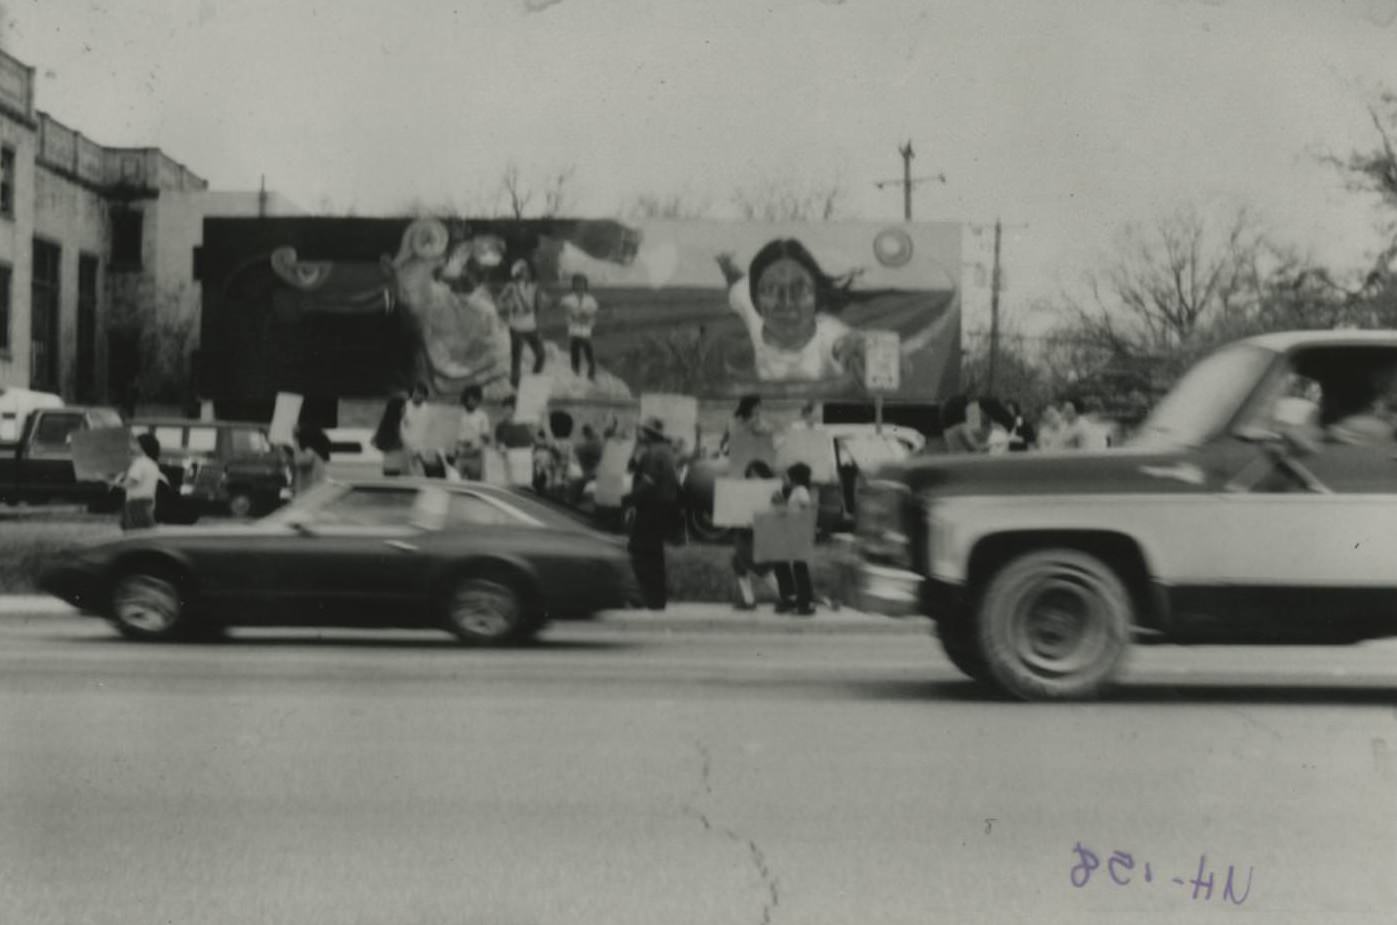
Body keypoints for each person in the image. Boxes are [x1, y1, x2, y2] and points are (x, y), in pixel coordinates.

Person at [716, 239, 868, 384]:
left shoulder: (831, 334)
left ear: (816, 295)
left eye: (800, 289)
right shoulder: (748, 304)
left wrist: (857, 352)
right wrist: (726, 265)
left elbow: (847, 344)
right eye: (771, 290)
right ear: (755, 299)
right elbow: (738, 284)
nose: (787, 303)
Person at [628, 417, 681, 611]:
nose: (638, 433)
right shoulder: (666, 451)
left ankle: (645, 597)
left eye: (641, 431)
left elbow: (648, 483)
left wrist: (629, 499)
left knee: (639, 551)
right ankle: (657, 599)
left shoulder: (652, 453)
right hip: (664, 508)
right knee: (654, 554)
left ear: (647, 434)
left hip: (650, 508)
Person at [769, 462, 816, 616]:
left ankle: (805, 603)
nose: (785, 479)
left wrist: (782, 505)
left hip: (798, 534)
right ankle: (793, 599)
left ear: (795, 477)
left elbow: (803, 509)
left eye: (787, 476)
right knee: (784, 564)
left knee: (799, 568)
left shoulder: (800, 491)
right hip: (793, 533)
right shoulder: (796, 491)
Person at [731, 460, 777, 610]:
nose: (752, 478)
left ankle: (787, 596)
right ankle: (748, 600)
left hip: (757, 532)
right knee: (738, 562)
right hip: (743, 530)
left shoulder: (771, 491)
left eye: (755, 475)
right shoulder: (746, 490)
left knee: (761, 566)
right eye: (749, 475)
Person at [500, 259, 547, 388]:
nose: (526, 273)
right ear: (517, 273)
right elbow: (500, 302)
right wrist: (511, 306)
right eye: (523, 271)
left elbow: (541, 304)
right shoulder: (511, 287)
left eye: (527, 270)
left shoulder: (534, 287)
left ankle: (533, 380)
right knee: (516, 359)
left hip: (531, 326)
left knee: (541, 355)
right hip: (516, 327)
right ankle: (515, 386)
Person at [115, 432, 166, 531]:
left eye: (135, 444)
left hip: (136, 504)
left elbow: (130, 483)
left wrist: (117, 483)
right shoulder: (153, 466)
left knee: (133, 532)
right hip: (148, 505)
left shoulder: (139, 465)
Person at [559, 273, 600, 381]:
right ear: (573, 284)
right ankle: (575, 375)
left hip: (586, 330)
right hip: (574, 330)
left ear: (585, 284)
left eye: (582, 283)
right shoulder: (567, 299)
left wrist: (581, 315)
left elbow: (591, 314)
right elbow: (569, 313)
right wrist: (580, 315)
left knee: (589, 354)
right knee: (575, 354)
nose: (579, 285)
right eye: (577, 283)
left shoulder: (590, 299)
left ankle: (591, 376)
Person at [454, 385, 492, 481]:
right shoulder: (460, 415)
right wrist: (460, 445)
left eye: (475, 399)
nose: (472, 401)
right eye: (469, 398)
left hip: (475, 457)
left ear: (478, 400)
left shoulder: (482, 416)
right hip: (461, 456)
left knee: (475, 484)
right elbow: (456, 437)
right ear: (465, 399)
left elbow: (486, 438)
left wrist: (483, 438)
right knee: (457, 483)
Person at [372, 394, 411, 476]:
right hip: (396, 466)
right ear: (397, 409)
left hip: (393, 465)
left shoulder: (391, 425)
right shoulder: (394, 426)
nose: (405, 409)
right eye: (404, 407)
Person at [400, 381, 432, 475]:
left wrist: (420, 451)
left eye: (421, 393)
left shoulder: (428, 410)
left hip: (421, 451)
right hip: (405, 449)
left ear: (425, 396)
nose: (418, 395)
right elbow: (402, 428)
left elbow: (428, 431)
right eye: (416, 392)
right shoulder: (404, 407)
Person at [292, 426, 330, 495]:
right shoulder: (317, 454)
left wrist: (296, 440)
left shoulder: (310, 452)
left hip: (308, 494)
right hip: (315, 492)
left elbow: (298, 461)